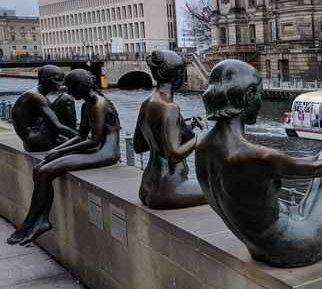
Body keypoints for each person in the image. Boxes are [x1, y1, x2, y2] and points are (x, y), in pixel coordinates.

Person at [195, 59, 322, 267]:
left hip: (256, 246)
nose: (260, 101)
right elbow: (318, 168)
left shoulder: (203, 148)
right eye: (259, 94)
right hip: (292, 246)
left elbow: (298, 165)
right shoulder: (255, 155)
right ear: (248, 96)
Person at [8, 69, 120, 246]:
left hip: (105, 152)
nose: (67, 92)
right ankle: (35, 221)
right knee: (39, 169)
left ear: (81, 87)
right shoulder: (87, 105)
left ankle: (37, 222)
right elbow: (81, 136)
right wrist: (59, 148)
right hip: (95, 148)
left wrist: (60, 152)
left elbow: (94, 141)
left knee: (46, 171)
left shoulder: (99, 105)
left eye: (70, 87)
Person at [133, 50, 206, 209]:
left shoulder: (146, 104)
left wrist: (182, 128)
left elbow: (139, 146)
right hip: (169, 190)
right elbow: (173, 155)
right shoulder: (170, 108)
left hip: (147, 187)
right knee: (218, 188)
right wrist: (201, 135)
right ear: (177, 75)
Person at [11, 65, 78, 151]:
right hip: (37, 143)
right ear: (43, 78)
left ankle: (73, 138)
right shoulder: (36, 97)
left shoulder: (36, 94)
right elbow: (57, 126)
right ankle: (75, 140)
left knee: (61, 101)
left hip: (30, 142)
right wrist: (81, 137)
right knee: (66, 99)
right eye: (56, 79)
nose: (60, 84)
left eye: (62, 80)